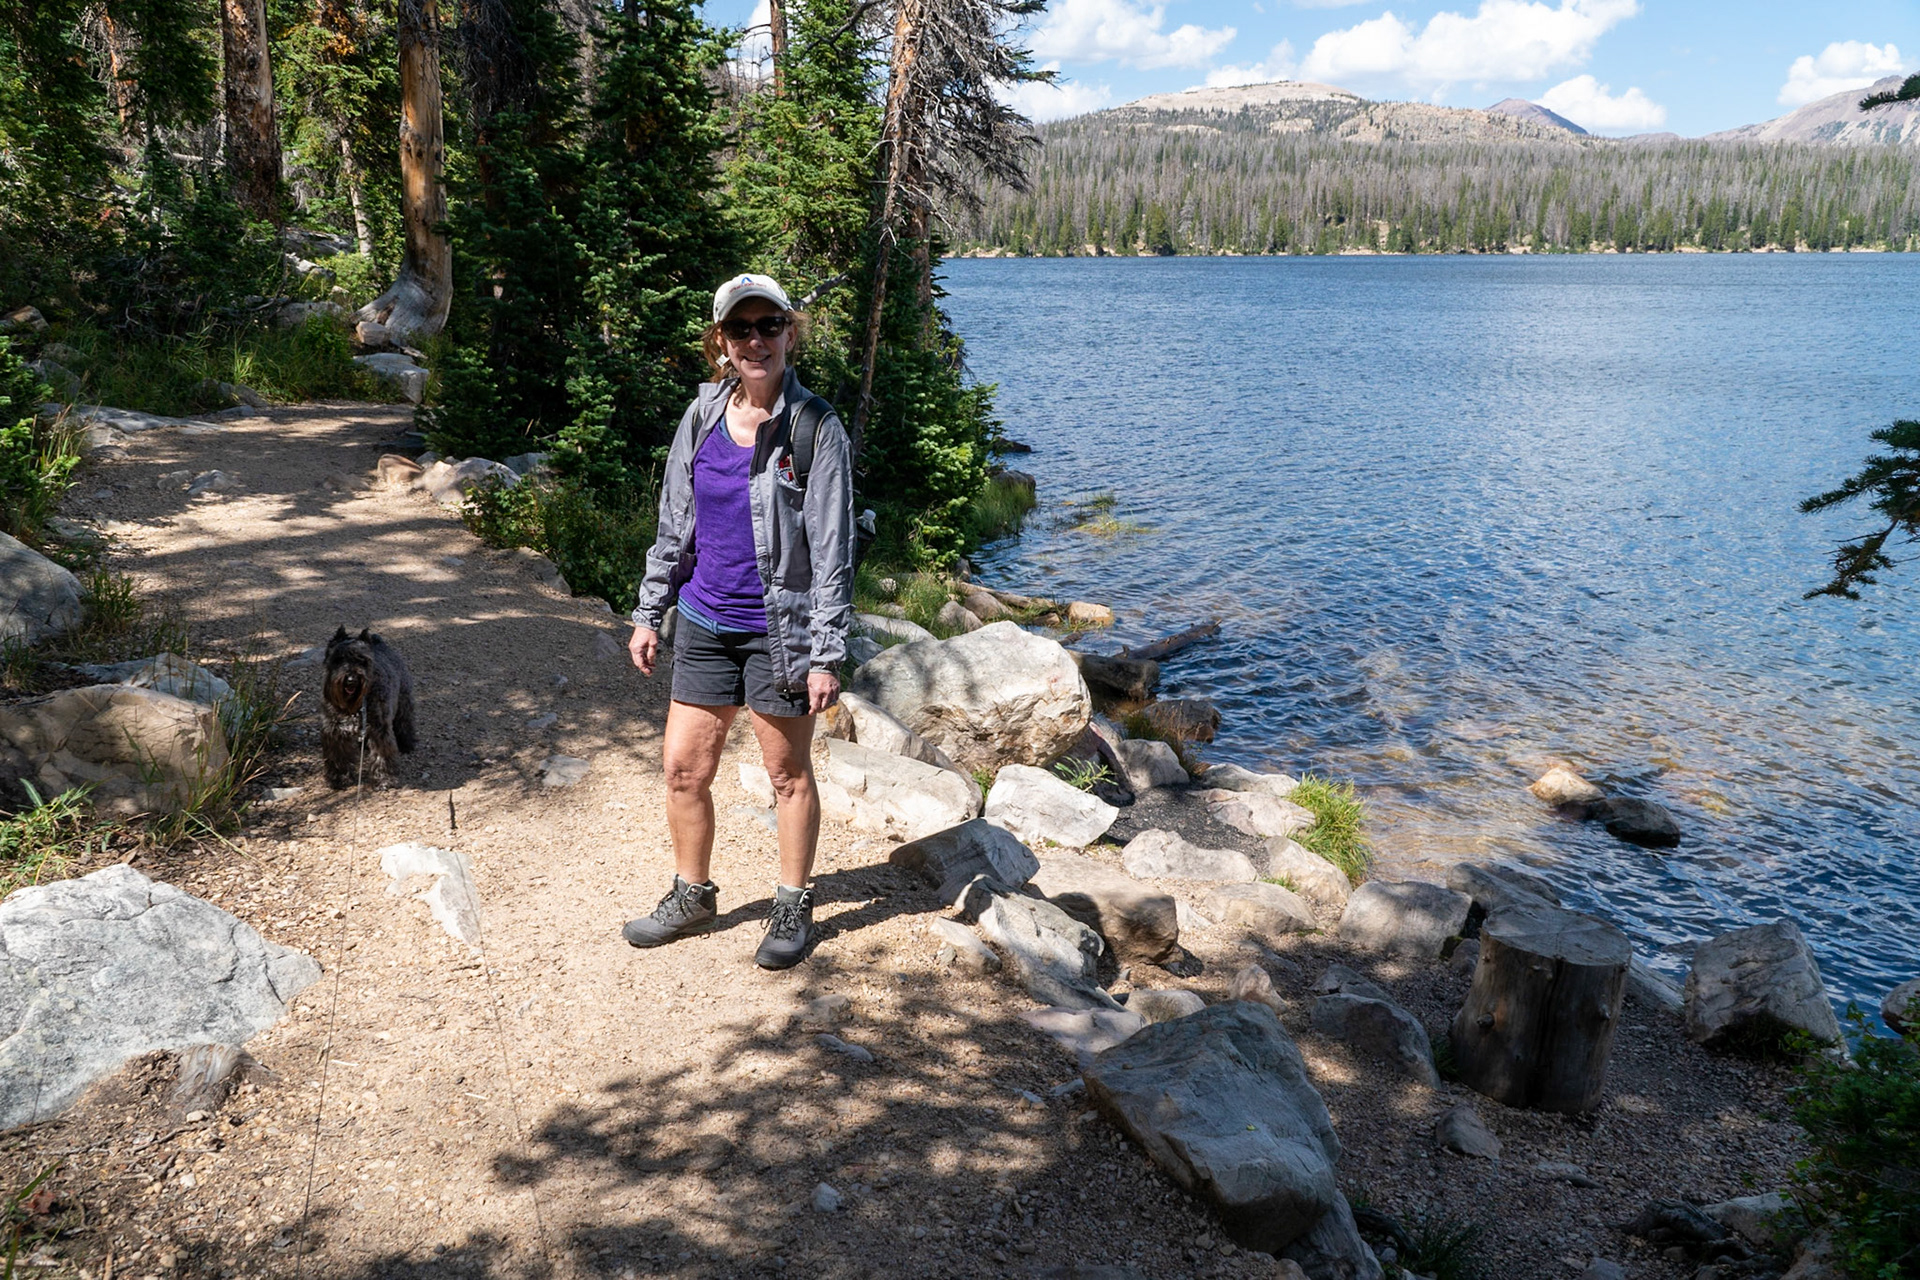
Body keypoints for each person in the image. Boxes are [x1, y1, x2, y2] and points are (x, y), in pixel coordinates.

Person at [622, 273, 855, 970]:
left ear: (789, 333)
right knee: (683, 771)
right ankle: (693, 894)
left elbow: (834, 550)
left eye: (769, 326)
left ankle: (792, 901)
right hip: (702, 620)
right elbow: (673, 526)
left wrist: (825, 652)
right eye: (741, 329)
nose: (756, 341)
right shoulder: (699, 419)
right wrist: (649, 611)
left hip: (778, 632)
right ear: (720, 342)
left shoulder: (815, 428)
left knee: (787, 774)